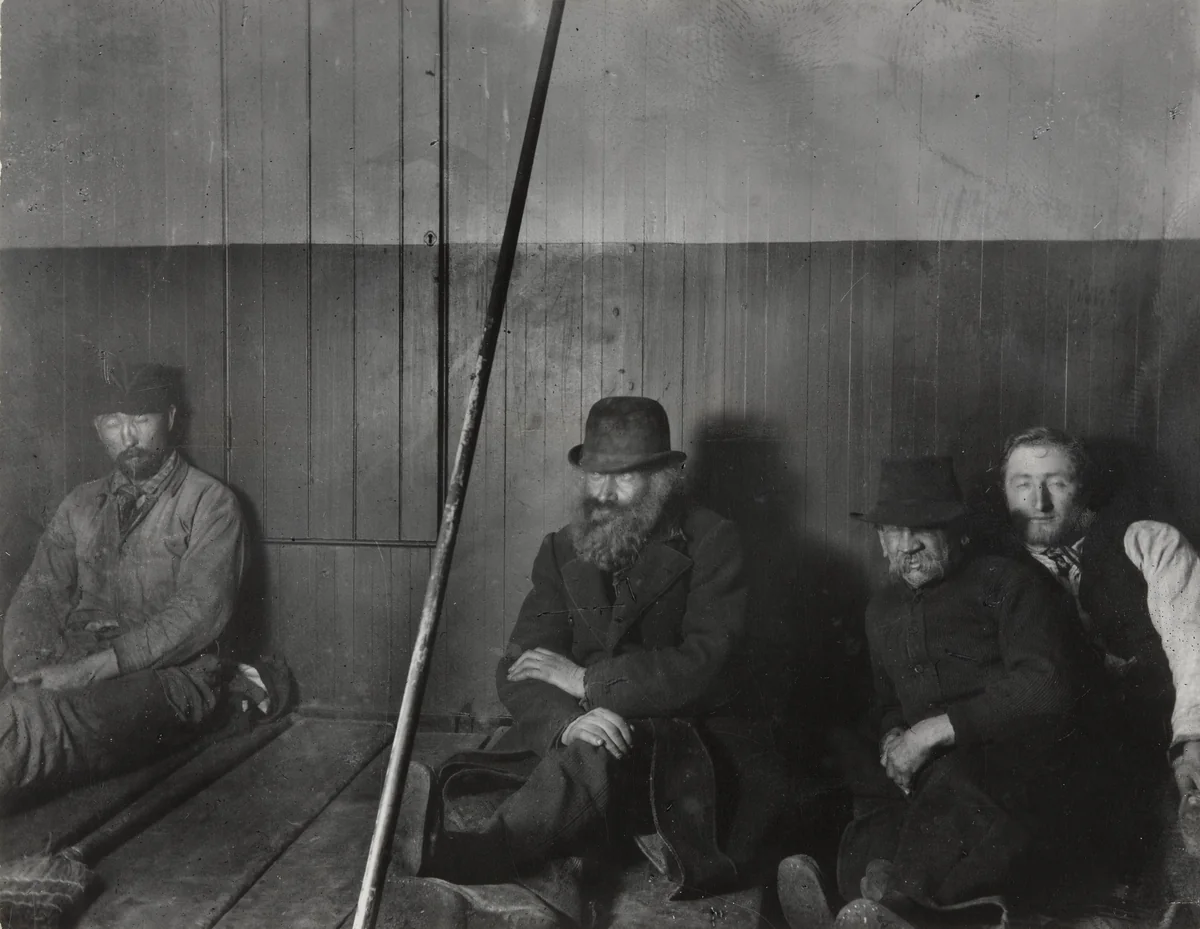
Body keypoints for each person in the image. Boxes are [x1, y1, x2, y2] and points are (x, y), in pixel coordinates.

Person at [392, 397, 790, 926]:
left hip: (678, 740)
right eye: (595, 474)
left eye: (622, 477)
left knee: (594, 756)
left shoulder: (713, 540)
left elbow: (707, 665)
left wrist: (586, 681)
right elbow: (522, 664)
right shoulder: (559, 549)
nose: (603, 493)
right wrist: (569, 721)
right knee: (545, 760)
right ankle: (528, 849)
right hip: (585, 731)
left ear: (666, 476)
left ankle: (473, 857)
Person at [777, 456, 1086, 929]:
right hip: (929, 779)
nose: (908, 545)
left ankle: (899, 909)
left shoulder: (1007, 583)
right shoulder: (881, 610)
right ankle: (857, 906)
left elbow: (1046, 686)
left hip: (1007, 776)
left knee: (957, 779)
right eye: (894, 532)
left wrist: (931, 734)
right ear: (880, 541)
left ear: (959, 532)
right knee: (859, 772)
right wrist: (893, 736)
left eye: (924, 529)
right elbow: (885, 704)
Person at [0, 362, 247, 801]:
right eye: (114, 422)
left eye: (141, 419)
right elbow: (38, 593)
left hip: (173, 679)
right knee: (24, 711)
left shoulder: (210, 502)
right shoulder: (79, 503)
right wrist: (28, 665)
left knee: (37, 728)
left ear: (169, 418)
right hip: (73, 665)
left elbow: (197, 615)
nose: (128, 437)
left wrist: (87, 671)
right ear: (99, 428)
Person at [995, 426, 1200, 904]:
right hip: (1066, 753)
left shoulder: (1148, 543)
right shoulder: (992, 573)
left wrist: (1193, 741)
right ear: (1003, 493)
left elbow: (1194, 645)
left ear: (1082, 489)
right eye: (1022, 484)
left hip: (1166, 733)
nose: (1039, 501)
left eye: (1057, 483)